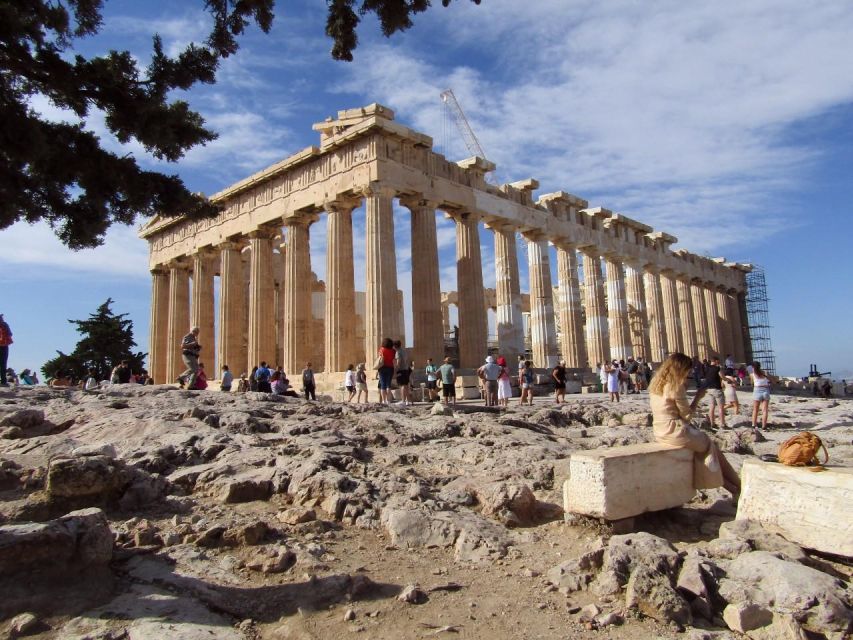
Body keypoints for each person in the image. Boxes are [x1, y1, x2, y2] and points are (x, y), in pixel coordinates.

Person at [649, 353, 741, 501]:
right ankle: (738, 487)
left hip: (659, 430)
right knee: (712, 449)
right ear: (681, 369)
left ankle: (734, 489)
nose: (690, 373)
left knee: (706, 452)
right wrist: (698, 397)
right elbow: (687, 416)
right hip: (675, 432)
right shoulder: (675, 386)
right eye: (688, 370)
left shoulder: (655, 384)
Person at [750, 361, 772, 431]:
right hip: (765, 390)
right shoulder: (765, 373)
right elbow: (771, 380)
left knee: (755, 409)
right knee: (765, 410)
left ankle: (754, 424)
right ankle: (764, 426)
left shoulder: (752, 374)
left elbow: (752, 383)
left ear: (753, 367)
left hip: (757, 390)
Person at [376, 338, 396, 404]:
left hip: (382, 368)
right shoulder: (393, 351)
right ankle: (388, 400)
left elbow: (379, 357)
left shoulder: (382, 349)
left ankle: (384, 401)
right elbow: (394, 359)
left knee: (383, 385)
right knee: (388, 385)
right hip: (390, 368)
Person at [393, 340, 412, 406]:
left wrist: (395, 371)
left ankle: (403, 401)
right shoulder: (404, 351)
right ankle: (408, 401)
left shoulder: (398, 352)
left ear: (395, 346)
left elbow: (398, 362)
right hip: (406, 370)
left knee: (402, 385)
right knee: (406, 385)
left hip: (401, 370)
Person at [0, 314, 12, 387]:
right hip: (4, 345)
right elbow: (10, 334)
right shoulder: (5, 324)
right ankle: (3, 381)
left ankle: (3, 380)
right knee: (3, 364)